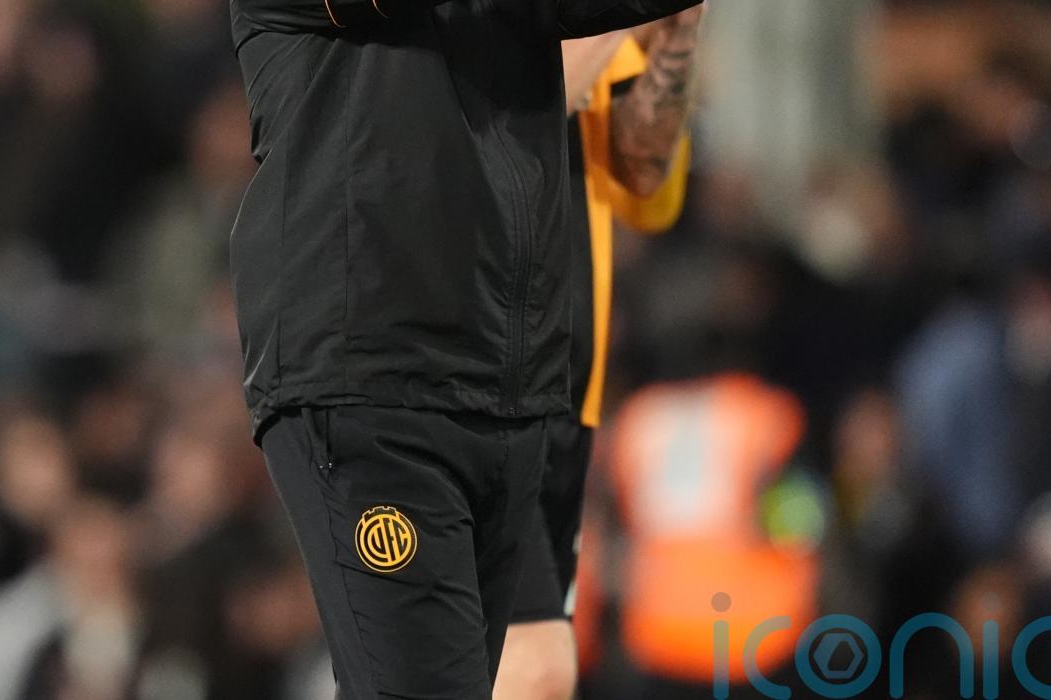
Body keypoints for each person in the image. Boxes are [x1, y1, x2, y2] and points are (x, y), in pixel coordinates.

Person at [227, 0, 703, 697]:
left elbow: (642, 169)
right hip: (378, 378)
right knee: (503, 676)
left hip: (514, 385)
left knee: (501, 678)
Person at [495, 7, 704, 699]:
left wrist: (675, 33)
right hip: (471, 381)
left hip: (563, 392)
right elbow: (501, 107)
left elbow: (643, 183)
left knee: (512, 668)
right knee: (531, 668)